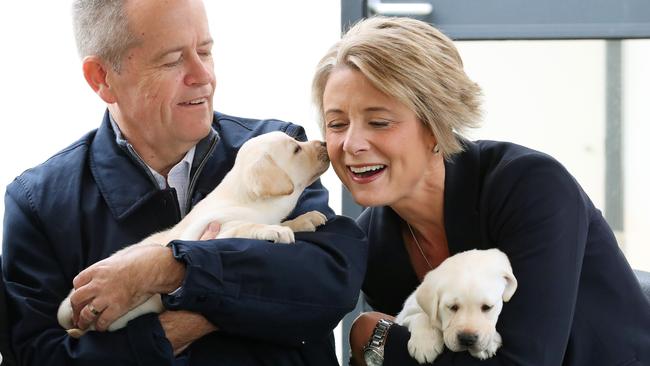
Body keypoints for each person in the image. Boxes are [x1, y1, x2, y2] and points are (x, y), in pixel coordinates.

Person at [1, 0, 368, 365]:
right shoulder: (39, 203)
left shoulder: (275, 148)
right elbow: (39, 356)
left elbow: (327, 284)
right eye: (173, 59)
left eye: (205, 51)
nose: (203, 75)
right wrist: (192, 321)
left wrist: (167, 269)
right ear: (102, 78)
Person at [311, 16, 650, 366]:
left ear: (436, 125)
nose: (350, 144)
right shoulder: (373, 240)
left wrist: (376, 337)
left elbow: (524, 362)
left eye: (379, 122)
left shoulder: (531, 186)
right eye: (336, 124)